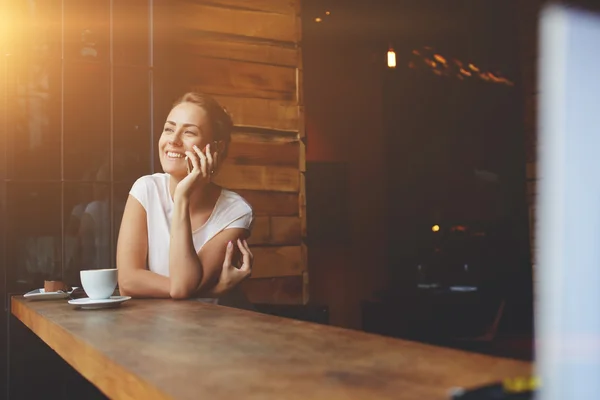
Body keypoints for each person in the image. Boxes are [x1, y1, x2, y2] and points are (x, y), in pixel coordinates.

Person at [116, 92, 254, 307]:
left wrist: (181, 198)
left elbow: (182, 287)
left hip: (219, 329)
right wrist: (212, 290)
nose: (173, 140)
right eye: (169, 129)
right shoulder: (146, 189)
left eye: (189, 132)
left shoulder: (236, 211)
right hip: (159, 329)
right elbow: (128, 282)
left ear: (216, 148)